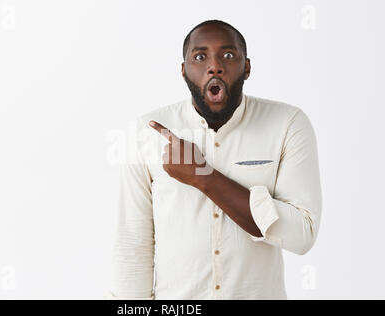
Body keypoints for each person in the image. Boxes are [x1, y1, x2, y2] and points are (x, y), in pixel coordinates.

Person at [107, 19, 322, 299]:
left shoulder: (288, 124)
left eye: (229, 55)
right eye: (200, 56)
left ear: (247, 67)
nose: (215, 66)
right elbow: (132, 243)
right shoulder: (146, 131)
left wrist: (203, 176)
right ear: (183, 71)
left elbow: (302, 234)